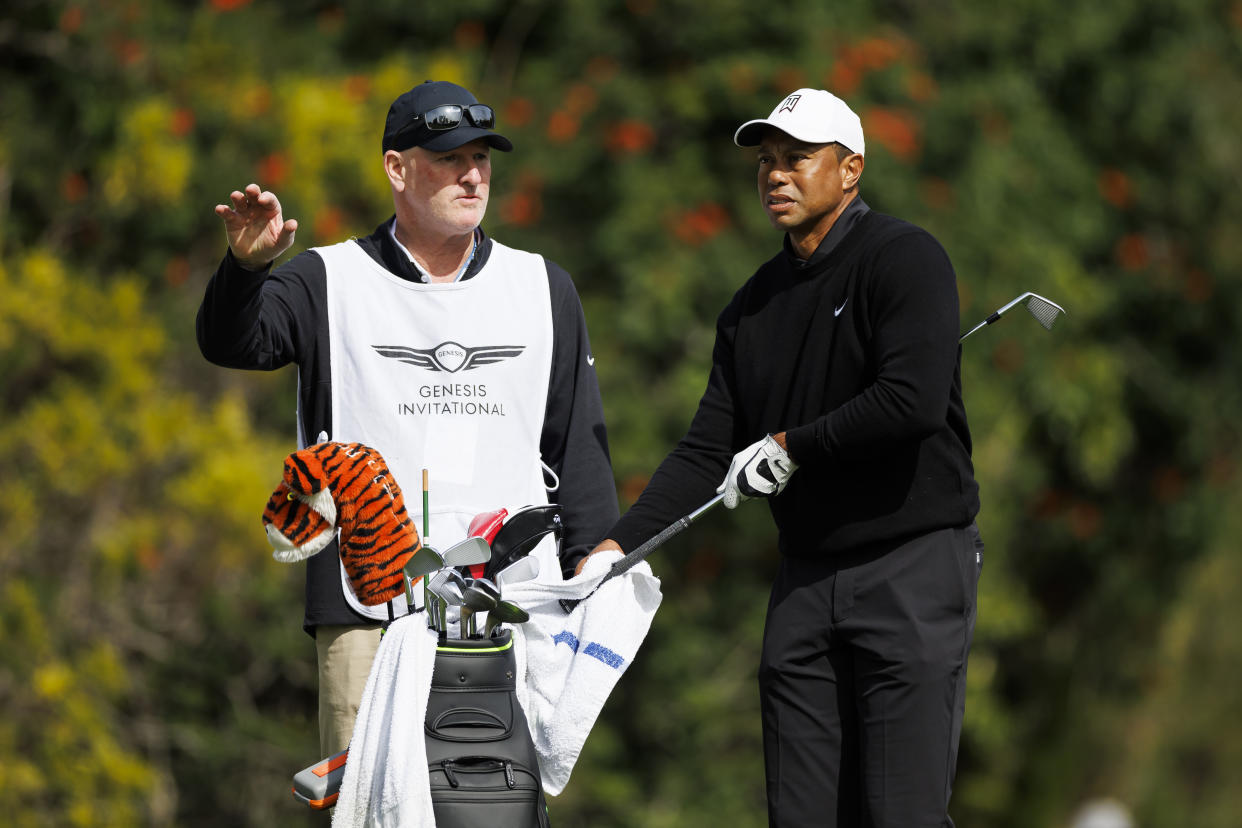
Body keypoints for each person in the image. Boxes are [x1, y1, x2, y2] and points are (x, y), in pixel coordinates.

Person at [582, 88, 983, 827]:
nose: (775, 174)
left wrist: (793, 445)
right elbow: (708, 448)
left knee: (899, 814)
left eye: (797, 158)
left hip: (912, 569)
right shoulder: (750, 306)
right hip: (805, 582)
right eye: (766, 161)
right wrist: (619, 545)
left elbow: (911, 401)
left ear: (851, 168)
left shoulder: (903, 258)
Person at [197, 80, 619, 757]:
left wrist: (596, 565)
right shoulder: (325, 279)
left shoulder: (543, 285)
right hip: (368, 611)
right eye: (450, 157)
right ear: (397, 168)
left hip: (514, 608)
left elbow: (578, 450)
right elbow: (233, 343)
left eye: (482, 157)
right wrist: (246, 270)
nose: (473, 174)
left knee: (497, 806)